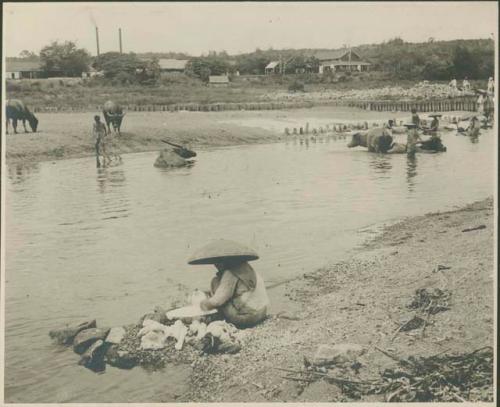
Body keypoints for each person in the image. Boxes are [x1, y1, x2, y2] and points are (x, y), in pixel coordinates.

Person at [188, 240, 269, 328]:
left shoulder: (230, 273)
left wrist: (202, 304)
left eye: (218, 263)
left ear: (226, 260)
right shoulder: (246, 268)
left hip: (248, 318)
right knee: (219, 286)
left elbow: (217, 301)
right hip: (262, 312)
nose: (216, 266)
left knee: (215, 282)